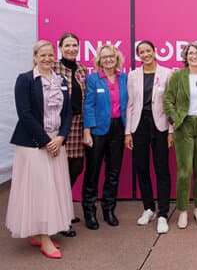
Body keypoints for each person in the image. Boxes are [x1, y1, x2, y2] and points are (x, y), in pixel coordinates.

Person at [6, 40, 74, 259]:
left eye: (50, 55)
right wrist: (46, 141)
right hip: (34, 144)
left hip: (56, 142)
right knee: (41, 189)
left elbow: (68, 113)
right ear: (35, 57)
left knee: (52, 188)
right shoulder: (25, 80)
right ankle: (44, 238)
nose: (47, 59)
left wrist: (61, 137)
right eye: (42, 55)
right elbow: (24, 114)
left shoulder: (61, 80)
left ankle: (39, 232)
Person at [125, 41, 173, 234]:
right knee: (141, 168)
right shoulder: (133, 75)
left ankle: (162, 213)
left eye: (148, 51)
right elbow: (130, 104)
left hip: (160, 125)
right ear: (139, 55)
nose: (145, 54)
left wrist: (171, 131)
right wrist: (128, 131)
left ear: (155, 52)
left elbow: (171, 104)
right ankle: (149, 208)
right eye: (142, 52)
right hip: (139, 126)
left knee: (162, 169)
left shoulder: (167, 73)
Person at [164, 42, 197, 229]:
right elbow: (168, 100)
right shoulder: (177, 75)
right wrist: (175, 120)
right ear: (185, 56)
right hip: (183, 125)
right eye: (190, 53)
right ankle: (183, 210)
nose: (194, 56)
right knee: (185, 171)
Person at [82, 44, 128, 230]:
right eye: (104, 57)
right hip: (97, 130)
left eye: (111, 56)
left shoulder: (124, 78)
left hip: (118, 128)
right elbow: (89, 105)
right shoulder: (93, 79)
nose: (108, 59)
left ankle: (109, 209)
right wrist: (87, 131)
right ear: (99, 60)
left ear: (117, 59)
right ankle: (89, 211)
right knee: (92, 172)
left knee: (113, 172)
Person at [53, 32, 87, 236]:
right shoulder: (54, 67)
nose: (71, 48)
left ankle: (64, 206)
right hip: (59, 125)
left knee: (76, 167)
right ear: (60, 47)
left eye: (75, 45)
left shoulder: (82, 69)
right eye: (67, 45)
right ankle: (58, 217)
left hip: (79, 124)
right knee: (57, 171)